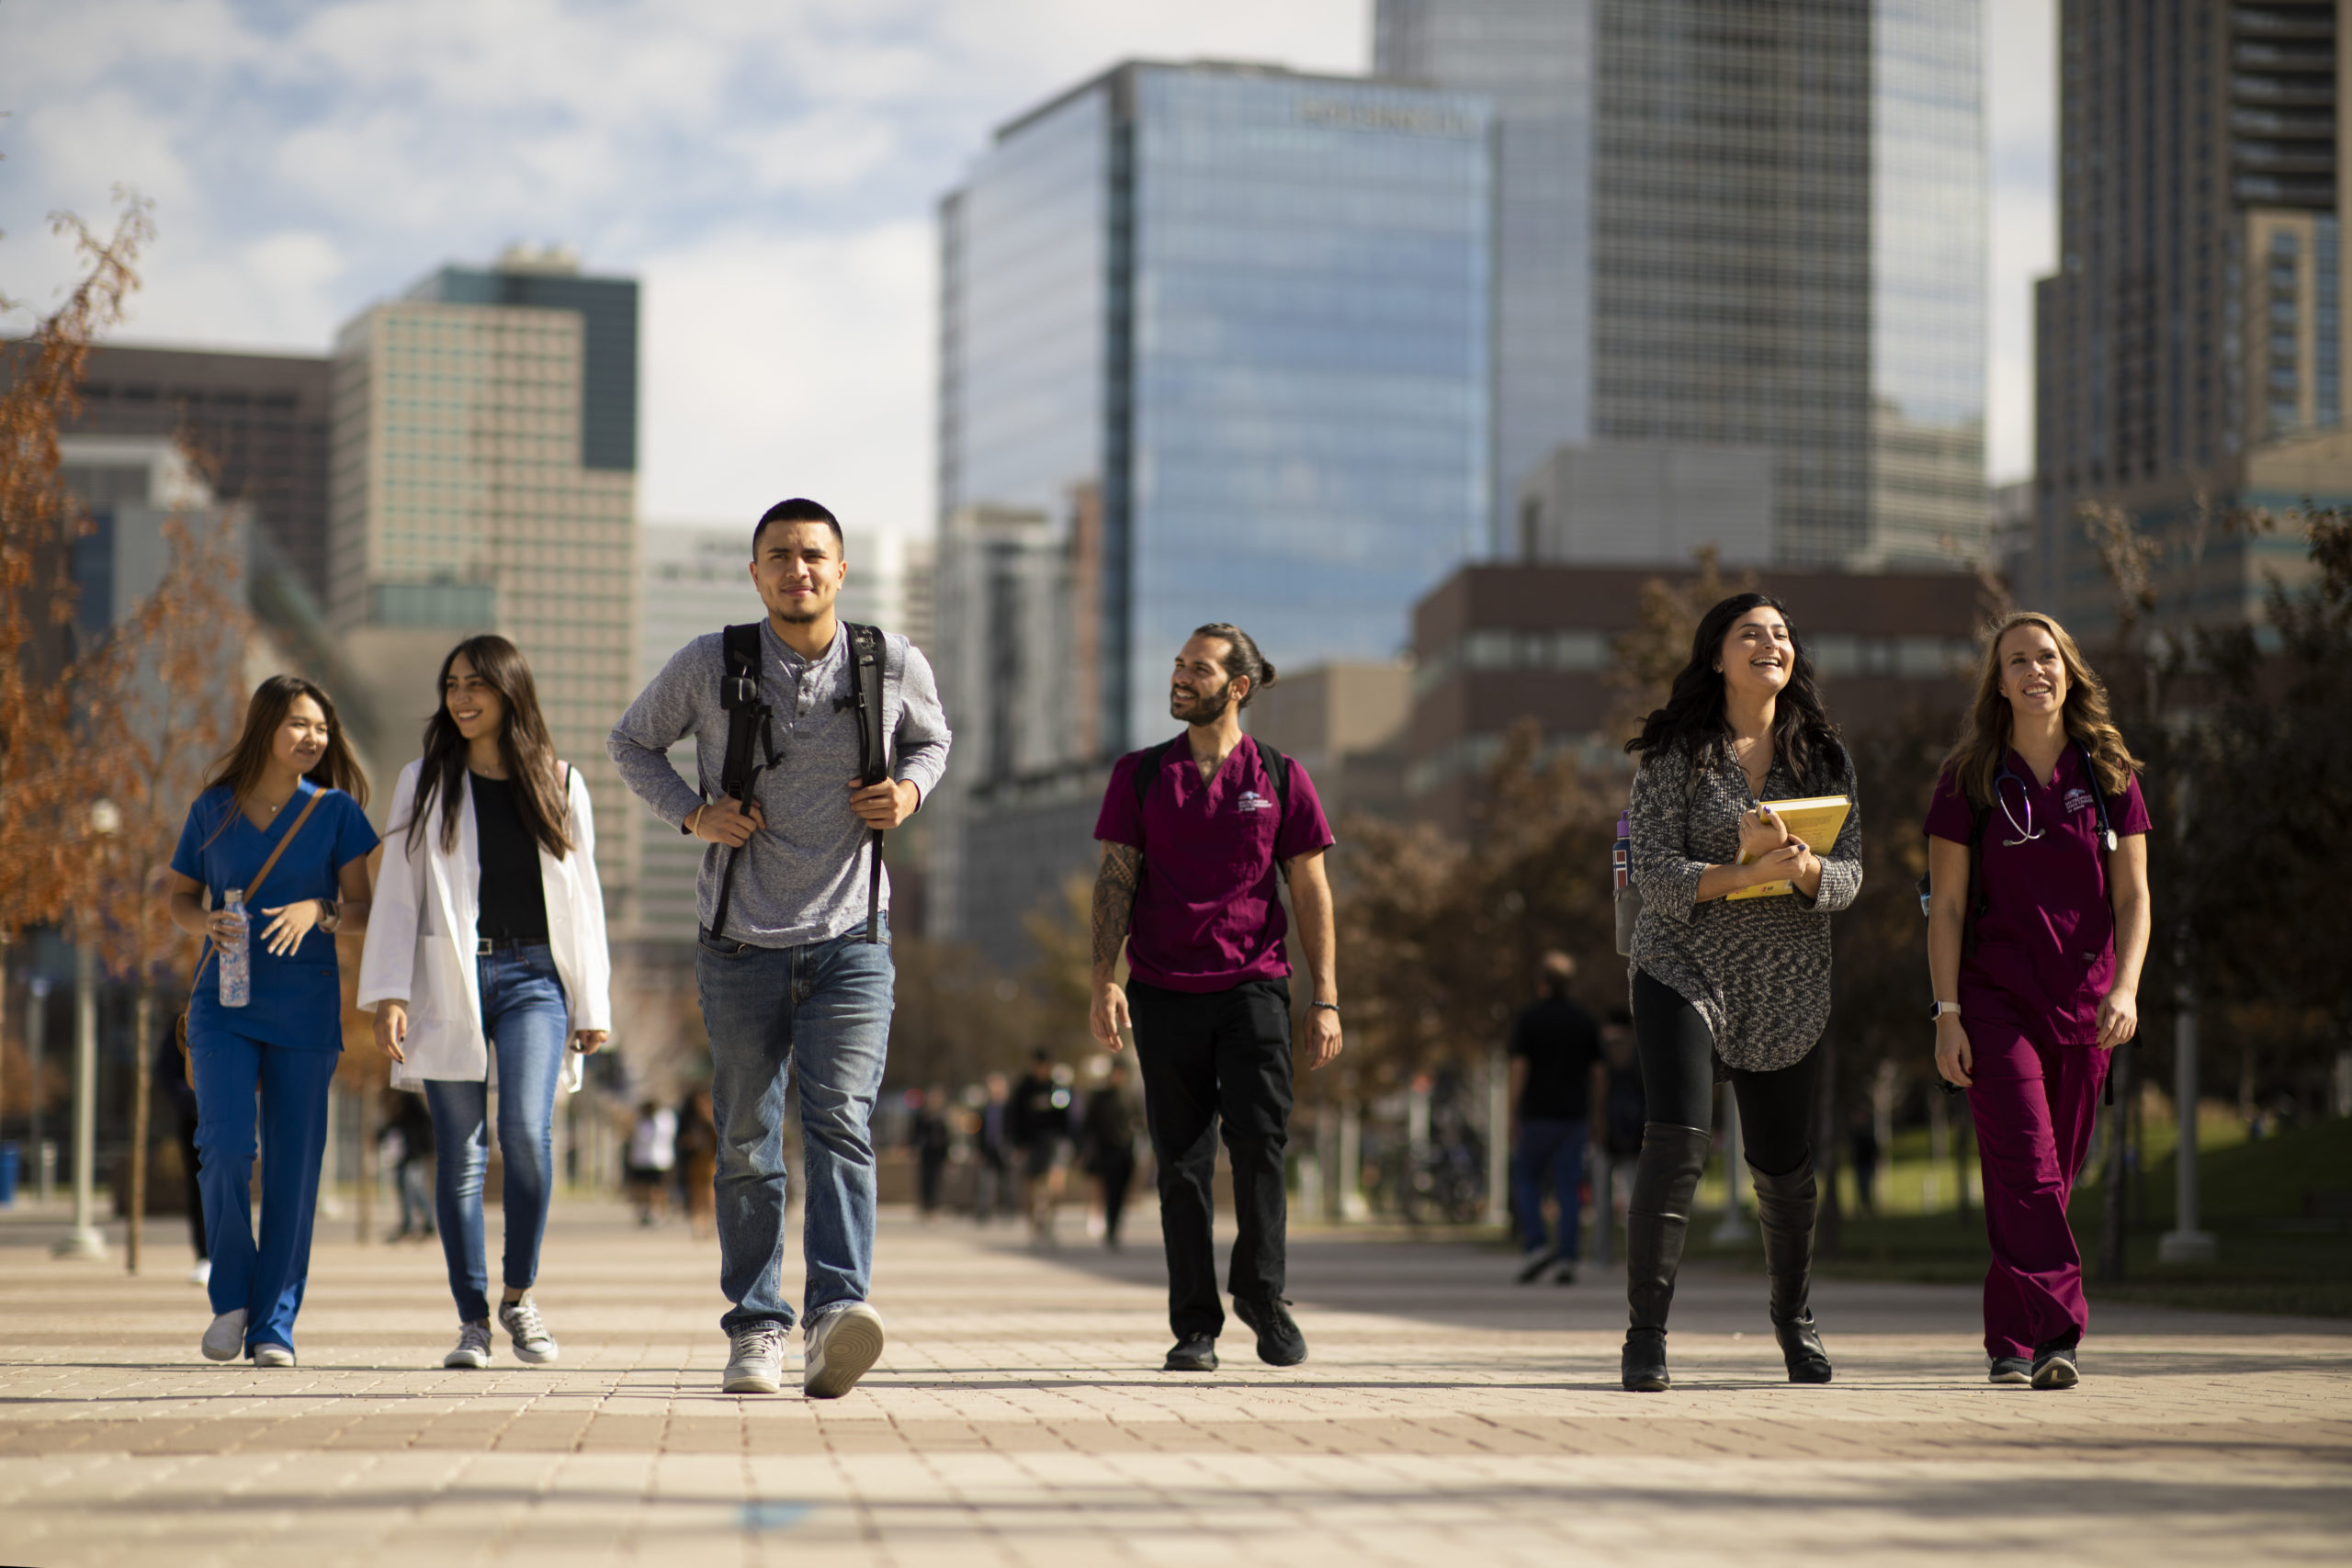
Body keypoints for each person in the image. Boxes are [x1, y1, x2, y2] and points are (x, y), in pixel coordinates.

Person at [608, 496, 951, 1398]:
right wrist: (691, 811)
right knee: (750, 1140)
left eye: (813, 556)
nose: (797, 570)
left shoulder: (888, 661)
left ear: (840, 570)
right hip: (738, 944)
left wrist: (910, 792)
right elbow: (631, 741)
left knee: (840, 1125)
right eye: (779, 557)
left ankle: (837, 1315)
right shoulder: (710, 663)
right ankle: (756, 1328)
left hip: (853, 940)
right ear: (754, 573)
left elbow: (934, 740)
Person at [1621, 592, 1863, 1393]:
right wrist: (1745, 873)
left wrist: (1804, 872)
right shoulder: (1674, 754)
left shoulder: (1824, 755)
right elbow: (1653, 872)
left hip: (1786, 978)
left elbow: (1852, 874)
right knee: (1677, 1139)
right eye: (1750, 633)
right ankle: (1646, 1336)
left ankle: (1795, 1320)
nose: (1772, 643)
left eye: (1783, 633)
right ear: (1717, 655)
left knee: (1783, 1164)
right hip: (1680, 964)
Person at [1090, 622, 1340, 1373]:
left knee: (1262, 1144)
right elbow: (1115, 881)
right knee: (1181, 1162)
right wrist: (1103, 980)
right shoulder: (1139, 775)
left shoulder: (1281, 775)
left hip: (1255, 985)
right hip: (1164, 991)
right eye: (1176, 666)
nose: (1179, 678)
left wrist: (1325, 995)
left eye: (1196, 669)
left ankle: (1263, 1296)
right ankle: (1194, 1323)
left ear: (1238, 687)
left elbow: (1310, 887)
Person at [360, 634, 613, 1371]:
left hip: (537, 981)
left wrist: (591, 1002)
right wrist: (390, 994)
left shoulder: (560, 781)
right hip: (450, 978)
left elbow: (585, 900)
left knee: (526, 1138)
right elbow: (399, 895)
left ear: (510, 692)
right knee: (460, 1156)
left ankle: (519, 1296)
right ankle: (473, 1320)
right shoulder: (424, 781)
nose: (462, 697)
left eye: (477, 684)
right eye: (452, 685)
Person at [1926, 610, 2151, 1391]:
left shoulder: (2110, 771)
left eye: (2046, 656)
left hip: (2086, 1007)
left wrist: (2126, 986)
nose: (2034, 670)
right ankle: (2060, 1331)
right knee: (2026, 1165)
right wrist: (1947, 1011)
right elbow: (1947, 908)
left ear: (2068, 668)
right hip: (1996, 1001)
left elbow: (2136, 897)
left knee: (2046, 1177)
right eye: (2016, 659)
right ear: (1999, 680)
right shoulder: (1968, 778)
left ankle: (2008, 1341)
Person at [163, 674, 377, 1367]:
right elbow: (177, 899)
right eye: (298, 725)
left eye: (321, 726)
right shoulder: (212, 810)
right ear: (265, 728)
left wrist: (320, 912)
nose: (313, 737)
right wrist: (207, 920)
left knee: (293, 1169)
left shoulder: (337, 812)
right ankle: (232, 1300)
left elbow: (366, 910)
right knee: (224, 1147)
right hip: (220, 1003)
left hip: (306, 1007)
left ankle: (274, 1323)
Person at [1508, 951, 1606, 1284]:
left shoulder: (1529, 1019)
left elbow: (1519, 1068)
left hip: (1536, 1114)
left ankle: (1536, 1245)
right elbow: (1598, 1073)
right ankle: (1567, 1257)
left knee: (1527, 1181)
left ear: (1541, 982)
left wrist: (1512, 1111)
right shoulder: (1584, 1020)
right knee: (1568, 1188)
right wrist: (1596, 1114)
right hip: (1573, 1115)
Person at [153, 1021, 209, 1285]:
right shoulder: (184, 1022)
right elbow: (167, 1071)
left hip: (230, 1114)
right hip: (194, 1118)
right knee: (198, 1187)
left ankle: (230, 1256)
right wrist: (190, 1100)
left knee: (231, 1184)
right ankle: (205, 1255)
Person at [1009, 1050, 1074, 1248]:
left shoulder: (1058, 1087)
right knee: (1031, 1188)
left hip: (1054, 1143)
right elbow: (1014, 1118)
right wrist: (1018, 1144)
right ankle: (1033, 1229)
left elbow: (1066, 1116)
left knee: (1055, 1187)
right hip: (1031, 1144)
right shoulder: (1023, 1089)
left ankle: (1050, 1226)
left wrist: (1069, 1141)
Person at [1081, 1058, 1141, 1250]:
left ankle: (1114, 1228)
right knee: (1109, 1192)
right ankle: (1110, 1230)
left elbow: (1139, 1122)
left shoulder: (1130, 1096)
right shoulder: (1099, 1097)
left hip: (1125, 1152)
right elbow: (1088, 1126)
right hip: (1105, 1152)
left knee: (1121, 1193)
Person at [382, 1089, 437, 1241]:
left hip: (413, 1154)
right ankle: (410, 1223)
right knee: (407, 1187)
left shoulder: (411, 1105)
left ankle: (425, 1223)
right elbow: (394, 1125)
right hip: (406, 1155)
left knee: (415, 1187)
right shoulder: (405, 1108)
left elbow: (407, 1125)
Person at [675, 1088, 718, 1241]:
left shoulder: (714, 1116)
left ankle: (712, 1225)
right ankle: (698, 1226)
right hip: (695, 1160)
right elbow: (680, 1140)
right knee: (696, 1194)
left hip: (711, 1161)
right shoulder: (688, 1120)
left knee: (711, 1194)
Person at [627, 1100, 678, 1225]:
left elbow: (666, 1135)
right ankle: (644, 1211)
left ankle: (659, 1212)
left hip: (660, 1160)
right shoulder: (640, 1121)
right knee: (642, 1187)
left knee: (659, 1188)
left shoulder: (664, 1120)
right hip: (642, 1160)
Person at [973, 1073, 1012, 1224]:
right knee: (985, 1183)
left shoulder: (1009, 1107)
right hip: (988, 1149)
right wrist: (979, 1150)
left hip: (1004, 1148)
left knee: (1006, 1183)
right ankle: (983, 1212)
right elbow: (979, 1130)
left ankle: (1007, 1211)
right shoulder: (985, 1108)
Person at [908, 1089, 951, 1220]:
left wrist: (946, 1156)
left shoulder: (941, 1117)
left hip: (938, 1153)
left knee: (936, 1180)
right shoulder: (922, 1116)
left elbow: (946, 1138)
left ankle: (933, 1207)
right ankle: (925, 1206)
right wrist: (913, 1147)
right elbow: (915, 1134)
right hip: (925, 1152)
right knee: (924, 1179)